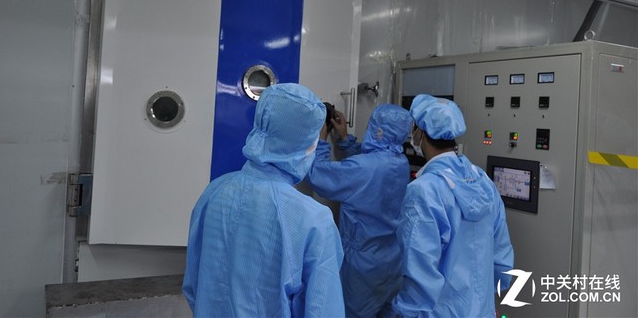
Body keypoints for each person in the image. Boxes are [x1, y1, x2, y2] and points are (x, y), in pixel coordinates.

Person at [183, 83, 345, 318]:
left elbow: (193, 285)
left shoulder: (214, 191)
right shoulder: (314, 220)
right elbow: (323, 310)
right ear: (308, 143)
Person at [392, 94, 514, 318]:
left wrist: (406, 313)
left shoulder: (424, 191)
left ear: (420, 134)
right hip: (482, 310)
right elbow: (502, 258)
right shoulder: (483, 181)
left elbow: (419, 271)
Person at [306, 103, 412, 318]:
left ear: (379, 131)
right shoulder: (401, 162)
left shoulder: (364, 168)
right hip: (392, 261)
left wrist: (321, 140)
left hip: (363, 267)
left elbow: (318, 175)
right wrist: (345, 139)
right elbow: (370, 162)